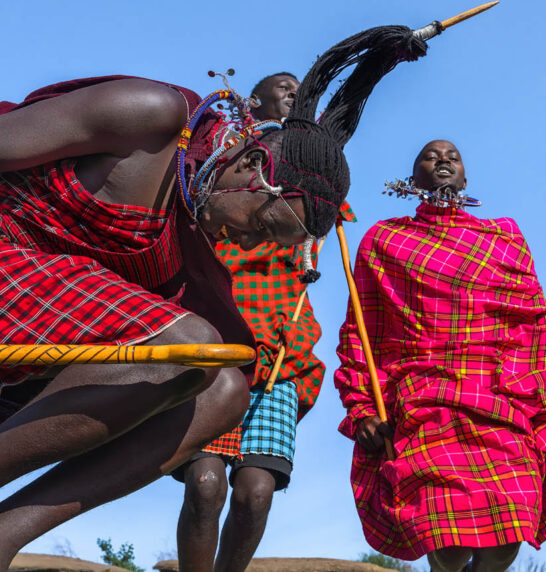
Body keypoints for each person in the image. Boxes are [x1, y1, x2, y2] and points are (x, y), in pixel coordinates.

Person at [0, 25, 431, 571]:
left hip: (46, 320)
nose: (249, 243)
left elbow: (227, 350)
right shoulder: (154, 115)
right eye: (263, 223)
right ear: (253, 167)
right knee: (192, 346)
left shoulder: (196, 235)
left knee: (226, 385)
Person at [334, 140, 546, 572]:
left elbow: (538, 317)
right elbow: (362, 333)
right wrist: (361, 408)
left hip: (500, 398)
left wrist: (539, 387)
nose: (442, 161)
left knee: (510, 528)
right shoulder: (385, 240)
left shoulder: (503, 237)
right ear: (412, 179)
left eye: (452, 157)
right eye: (430, 156)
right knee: (446, 539)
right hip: (424, 398)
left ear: (466, 178)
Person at [171, 71, 353, 572]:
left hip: (280, 349)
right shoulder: (224, 164)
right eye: (283, 88)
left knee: (255, 494)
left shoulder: (311, 180)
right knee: (204, 485)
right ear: (256, 99)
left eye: (299, 89)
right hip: (217, 342)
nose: (294, 93)